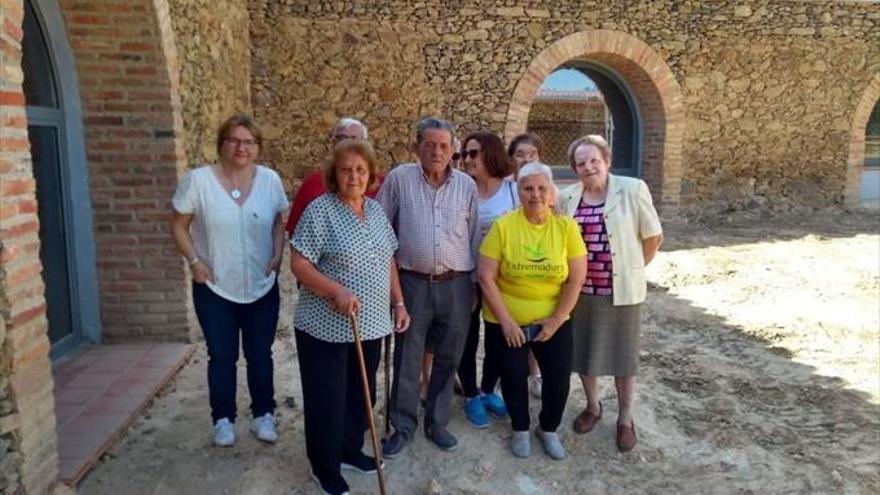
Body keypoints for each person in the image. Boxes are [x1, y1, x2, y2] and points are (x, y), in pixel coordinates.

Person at [290, 139, 410, 495]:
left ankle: (348, 450)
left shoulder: (374, 211)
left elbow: (389, 257)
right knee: (327, 397)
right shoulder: (319, 210)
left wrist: (399, 302)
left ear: (370, 175)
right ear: (334, 175)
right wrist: (334, 290)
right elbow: (299, 264)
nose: (354, 176)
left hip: (371, 323)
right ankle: (323, 466)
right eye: (346, 170)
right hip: (323, 328)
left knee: (360, 393)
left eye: (360, 170)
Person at [171, 115, 287, 447]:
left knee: (260, 353)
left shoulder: (270, 180)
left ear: (258, 147)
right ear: (221, 144)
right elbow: (178, 225)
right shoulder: (198, 181)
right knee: (221, 355)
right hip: (214, 285)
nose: (241, 148)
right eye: (234, 140)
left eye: (249, 142)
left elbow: (278, 223)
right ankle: (223, 419)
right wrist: (194, 261)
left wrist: (278, 256)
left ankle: (263, 414)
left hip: (261, 284)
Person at [378, 117, 479, 457]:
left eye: (443, 146)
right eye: (429, 144)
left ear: (454, 151)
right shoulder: (398, 180)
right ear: (416, 146)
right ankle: (402, 426)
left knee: (448, 357)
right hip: (412, 283)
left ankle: (437, 423)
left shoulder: (466, 186)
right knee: (408, 356)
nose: (436, 151)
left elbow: (475, 235)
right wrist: (392, 291)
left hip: (457, 284)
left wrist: (476, 286)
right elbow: (379, 228)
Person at [559, 134, 663, 452]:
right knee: (585, 354)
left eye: (594, 160)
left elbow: (653, 236)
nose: (588, 167)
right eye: (581, 163)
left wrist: (633, 268)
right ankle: (593, 407)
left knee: (623, 359)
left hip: (621, 292)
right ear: (575, 169)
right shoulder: (567, 197)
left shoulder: (632, 190)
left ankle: (625, 419)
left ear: (606, 161)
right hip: (580, 292)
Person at [478, 162, 587, 460]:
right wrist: (507, 323)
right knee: (513, 375)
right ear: (519, 192)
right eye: (528, 188)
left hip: (553, 318)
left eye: (542, 188)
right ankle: (521, 428)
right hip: (505, 318)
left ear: (552, 193)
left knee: (559, 377)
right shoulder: (504, 226)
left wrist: (557, 319)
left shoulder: (566, 228)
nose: (535, 194)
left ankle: (548, 428)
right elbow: (485, 277)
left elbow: (576, 278)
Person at [457, 131, 517, 428]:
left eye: (473, 153)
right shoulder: (461, 189)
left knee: (496, 339)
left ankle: (488, 389)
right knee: (466, 337)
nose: (467, 159)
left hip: (501, 280)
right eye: (464, 154)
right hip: (467, 276)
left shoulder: (513, 191)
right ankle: (469, 395)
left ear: (491, 154)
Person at [285, 117, 377, 236]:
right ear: (333, 143)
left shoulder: (379, 186)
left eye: (354, 139)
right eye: (342, 139)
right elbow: (295, 232)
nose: (348, 145)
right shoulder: (312, 184)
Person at [507, 132, 547, 398]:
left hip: (537, 262)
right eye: (520, 154)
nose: (526, 159)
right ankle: (509, 374)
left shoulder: (546, 188)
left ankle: (535, 372)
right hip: (509, 265)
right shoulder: (504, 186)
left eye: (531, 154)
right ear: (512, 158)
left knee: (535, 322)